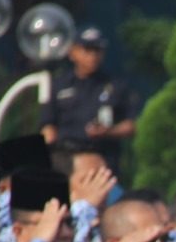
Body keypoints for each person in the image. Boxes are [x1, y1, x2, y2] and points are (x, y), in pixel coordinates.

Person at [40, 26, 137, 173]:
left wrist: (109, 132)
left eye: (97, 51)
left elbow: (131, 125)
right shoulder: (59, 85)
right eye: (87, 50)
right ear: (72, 52)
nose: (92, 56)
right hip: (68, 160)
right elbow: (48, 125)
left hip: (103, 159)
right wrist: (50, 156)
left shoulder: (115, 86)